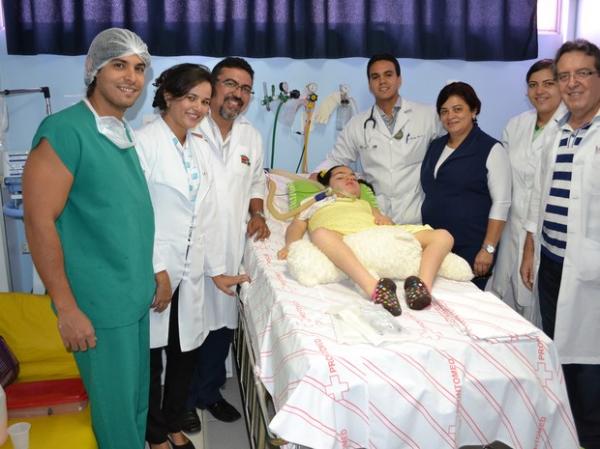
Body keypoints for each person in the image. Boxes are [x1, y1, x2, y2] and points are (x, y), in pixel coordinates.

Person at [22, 28, 154, 449]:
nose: (131, 76)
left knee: (134, 405)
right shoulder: (65, 131)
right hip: (97, 306)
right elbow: (39, 221)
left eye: (139, 68)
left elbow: (121, 219)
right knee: (116, 419)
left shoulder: (120, 134)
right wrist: (66, 309)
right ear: (94, 70)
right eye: (119, 64)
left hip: (131, 299)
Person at [136, 64, 250, 449]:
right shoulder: (144, 143)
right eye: (191, 98)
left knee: (185, 351)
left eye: (204, 100)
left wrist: (217, 270)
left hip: (193, 269)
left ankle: (171, 422)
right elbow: (139, 215)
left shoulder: (197, 146)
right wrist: (158, 271)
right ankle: (154, 435)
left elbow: (207, 216)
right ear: (168, 95)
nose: (199, 108)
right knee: (152, 359)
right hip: (158, 268)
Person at [521, 39, 600, 449]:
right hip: (551, 263)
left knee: (589, 372)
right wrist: (531, 247)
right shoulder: (559, 133)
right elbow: (540, 195)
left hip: (589, 275)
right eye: (564, 76)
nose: (572, 84)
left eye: (582, 73)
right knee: (558, 357)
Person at [182, 57, 269, 430]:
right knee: (188, 329)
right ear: (213, 85)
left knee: (221, 328)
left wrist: (258, 213)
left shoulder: (250, 134)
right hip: (190, 249)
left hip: (230, 247)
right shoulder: (188, 126)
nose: (238, 94)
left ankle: (209, 393)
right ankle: (182, 402)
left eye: (245, 88)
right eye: (230, 84)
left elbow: (254, 183)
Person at [278, 165, 454, 314]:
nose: (350, 179)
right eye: (341, 176)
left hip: (375, 235)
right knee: (320, 234)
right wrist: (290, 246)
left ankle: (421, 286)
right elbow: (297, 226)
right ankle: (373, 287)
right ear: (327, 185)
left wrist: (386, 220)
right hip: (344, 238)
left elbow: (388, 223)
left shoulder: (365, 203)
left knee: (443, 236)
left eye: (353, 177)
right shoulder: (314, 202)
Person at [313, 53, 441, 224]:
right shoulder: (357, 124)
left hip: (416, 215)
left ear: (399, 79)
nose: (382, 81)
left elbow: (453, 144)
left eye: (388, 75)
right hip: (375, 218)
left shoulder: (427, 115)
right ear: (369, 84)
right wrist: (313, 178)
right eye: (375, 77)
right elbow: (336, 159)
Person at [490, 60, 565, 323]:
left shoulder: (569, 127)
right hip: (512, 225)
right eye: (533, 85)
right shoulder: (516, 124)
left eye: (548, 83)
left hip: (546, 233)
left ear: (561, 85)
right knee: (505, 298)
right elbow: (503, 178)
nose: (539, 91)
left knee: (539, 306)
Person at [420, 82, 511, 290]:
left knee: (465, 308)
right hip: (436, 246)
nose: (450, 116)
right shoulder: (435, 146)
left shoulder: (491, 149)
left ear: (474, 110)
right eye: (444, 111)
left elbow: (502, 202)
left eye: (457, 109)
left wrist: (488, 249)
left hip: (471, 248)